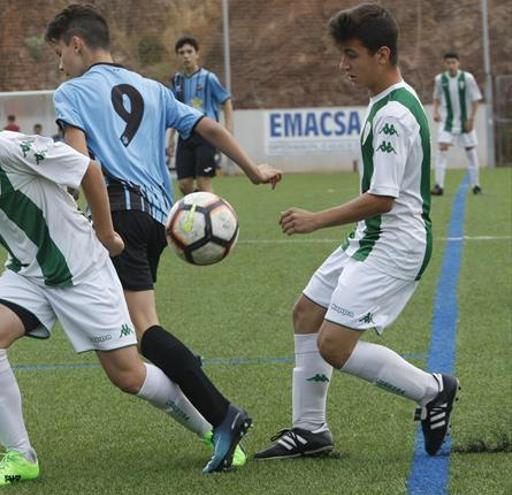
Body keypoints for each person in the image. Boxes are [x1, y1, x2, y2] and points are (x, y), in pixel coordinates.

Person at [0, 58, 217, 488]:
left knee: (128, 375)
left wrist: (107, 234)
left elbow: (89, 170)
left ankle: (211, 427)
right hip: (29, 272)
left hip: (81, 269)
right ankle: (20, 456)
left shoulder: (9, 146)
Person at [44, 4, 282, 473]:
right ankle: (188, 369)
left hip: (116, 216)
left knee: (142, 333)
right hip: (158, 219)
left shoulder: (71, 92)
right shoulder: (153, 88)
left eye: (59, 53)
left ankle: (222, 412)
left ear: (76, 44)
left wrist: (70, 210)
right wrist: (252, 169)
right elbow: (209, 125)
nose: (59, 65)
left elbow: (78, 161)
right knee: (140, 330)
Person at [255, 3, 458, 461]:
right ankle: (310, 430)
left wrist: (315, 219)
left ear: (382, 54)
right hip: (374, 235)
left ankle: (432, 390)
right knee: (307, 313)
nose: (343, 65)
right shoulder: (384, 103)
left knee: (333, 344)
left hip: (394, 242)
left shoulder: (392, 114)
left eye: (351, 55)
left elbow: (383, 197)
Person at [166, 36, 233, 195]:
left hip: (206, 136)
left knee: (203, 182)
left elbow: (226, 101)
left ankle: (215, 216)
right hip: (185, 136)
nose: (186, 56)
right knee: (184, 185)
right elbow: (175, 110)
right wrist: (170, 140)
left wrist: (227, 130)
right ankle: (201, 210)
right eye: (182, 53)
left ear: (197, 54)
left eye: (189, 52)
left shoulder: (209, 78)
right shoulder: (177, 80)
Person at [431, 52, 484, 196]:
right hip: (447, 122)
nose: (451, 65)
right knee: (442, 150)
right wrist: (435, 111)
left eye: (453, 62)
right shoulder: (440, 79)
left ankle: (476, 186)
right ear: (444, 64)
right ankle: (439, 186)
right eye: (448, 62)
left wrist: (472, 119)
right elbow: (436, 98)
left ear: (458, 63)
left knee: (471, 152)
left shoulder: (467, 78)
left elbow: (476, 100)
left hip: (464, 122)